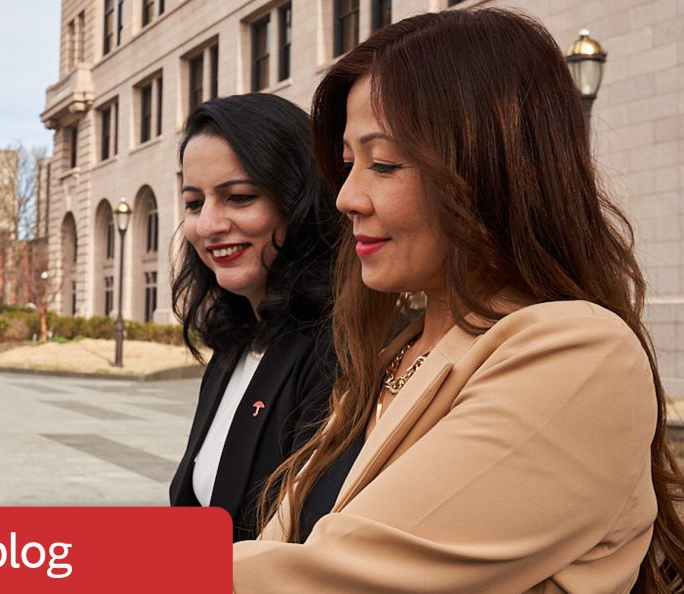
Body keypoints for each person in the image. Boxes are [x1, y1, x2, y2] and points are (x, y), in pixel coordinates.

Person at [233, 9, 684, 592]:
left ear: (487, 166)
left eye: (385, 163)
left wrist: (87, 558)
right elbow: (277, 549)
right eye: (348, 165)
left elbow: (328, 578)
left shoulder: (578, 355)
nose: (346, 198)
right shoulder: (392, 356)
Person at [169, 93, 359, 542]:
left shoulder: (341, 353)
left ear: (300, 200)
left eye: (238, 197)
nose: (209, 225)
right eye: (195, 203)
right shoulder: (235, 344)